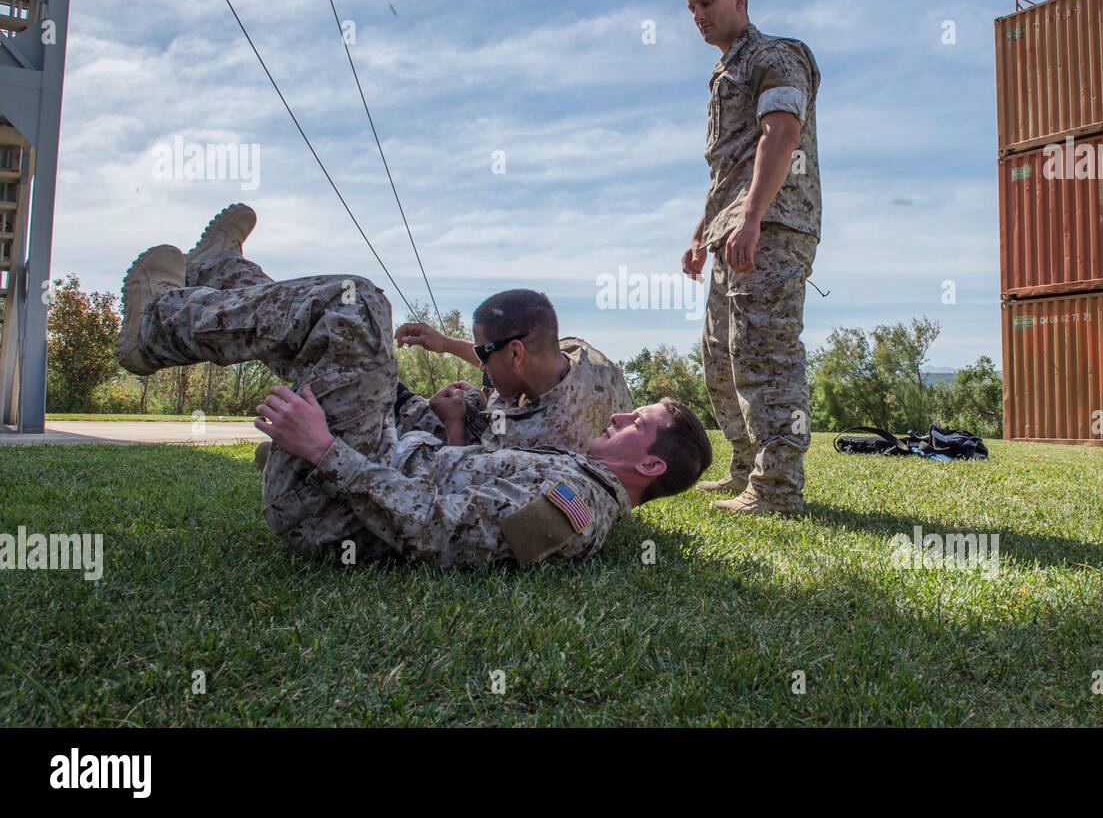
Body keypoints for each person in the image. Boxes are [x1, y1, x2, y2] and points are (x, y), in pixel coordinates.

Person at [116, 211, 712, 567]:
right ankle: (219, 274)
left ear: (652, 461)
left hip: (329, 509)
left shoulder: (578, 509)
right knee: (337, 332)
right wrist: (447, 425)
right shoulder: (577, 471)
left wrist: (324, 451)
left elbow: (436, 529)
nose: (615, 418)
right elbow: (464, 477)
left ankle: (157, 327)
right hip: (379, 454)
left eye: (634, 423)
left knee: (358, 306)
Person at [676, 0, 822, 517]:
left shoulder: (776, 55)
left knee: (765, 355)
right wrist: (700, 235)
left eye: (707, 2)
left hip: (773, 226)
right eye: (691, 8)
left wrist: (754, 217)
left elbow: (780, 134)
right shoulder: (723, 74)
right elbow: (727, 170)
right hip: (730, 231)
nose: (698, 16)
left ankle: (778, 489)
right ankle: (746, 467)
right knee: (720, 356)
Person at [392, 293, 633, 453]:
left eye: (483, 355)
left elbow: (461, 479)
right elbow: (512, 359)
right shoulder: (584, 357)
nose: (482, 365)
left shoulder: (531, 438)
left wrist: (453, 423)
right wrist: (444, 343)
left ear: (516, 353)